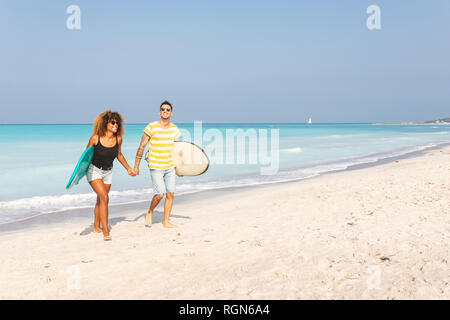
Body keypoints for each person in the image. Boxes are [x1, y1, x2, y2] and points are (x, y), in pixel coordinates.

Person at [86, 110, 135, 241]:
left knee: (101, 199)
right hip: (94, 170)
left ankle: (96, 226)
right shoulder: (95, 138)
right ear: (105, 123)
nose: (115, 125)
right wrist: (78, 176)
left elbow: (119, 155)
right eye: (112, 122)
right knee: (104, 197)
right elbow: (85, 157)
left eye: (117, 122)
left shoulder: (118, 139)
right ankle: (105, 230)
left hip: (108, 172)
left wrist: (128, 169)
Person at [133, 100, 181, 228]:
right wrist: (136, 166)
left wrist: (180, 168)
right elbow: (142, 146)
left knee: (170, 194)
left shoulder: (175, 129)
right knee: (160, 194)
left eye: (168, 109)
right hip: (156, 166)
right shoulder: (151, 127)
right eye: (163, 109)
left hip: (170, 166)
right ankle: (150, 211)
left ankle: (166, 221)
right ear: (159, 112)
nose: (165, 111)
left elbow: (177, 150)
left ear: (172, 113)